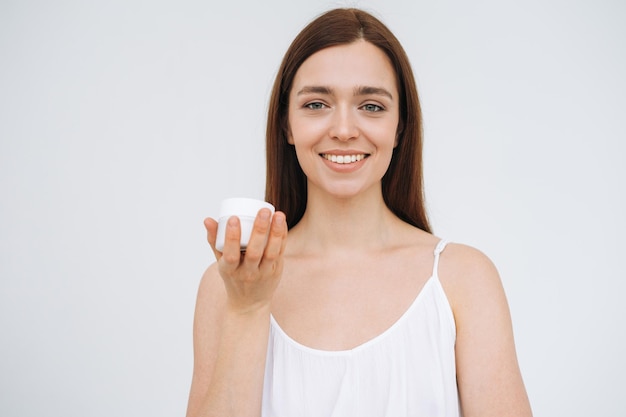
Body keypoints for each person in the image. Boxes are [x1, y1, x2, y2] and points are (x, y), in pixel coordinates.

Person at [186, 8, 532, 417]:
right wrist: (247, 310)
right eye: (316, 104)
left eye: (371, 106)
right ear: (287, 125)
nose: (345, 129)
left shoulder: (463, 280)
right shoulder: (229, 285)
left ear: (400, 125)